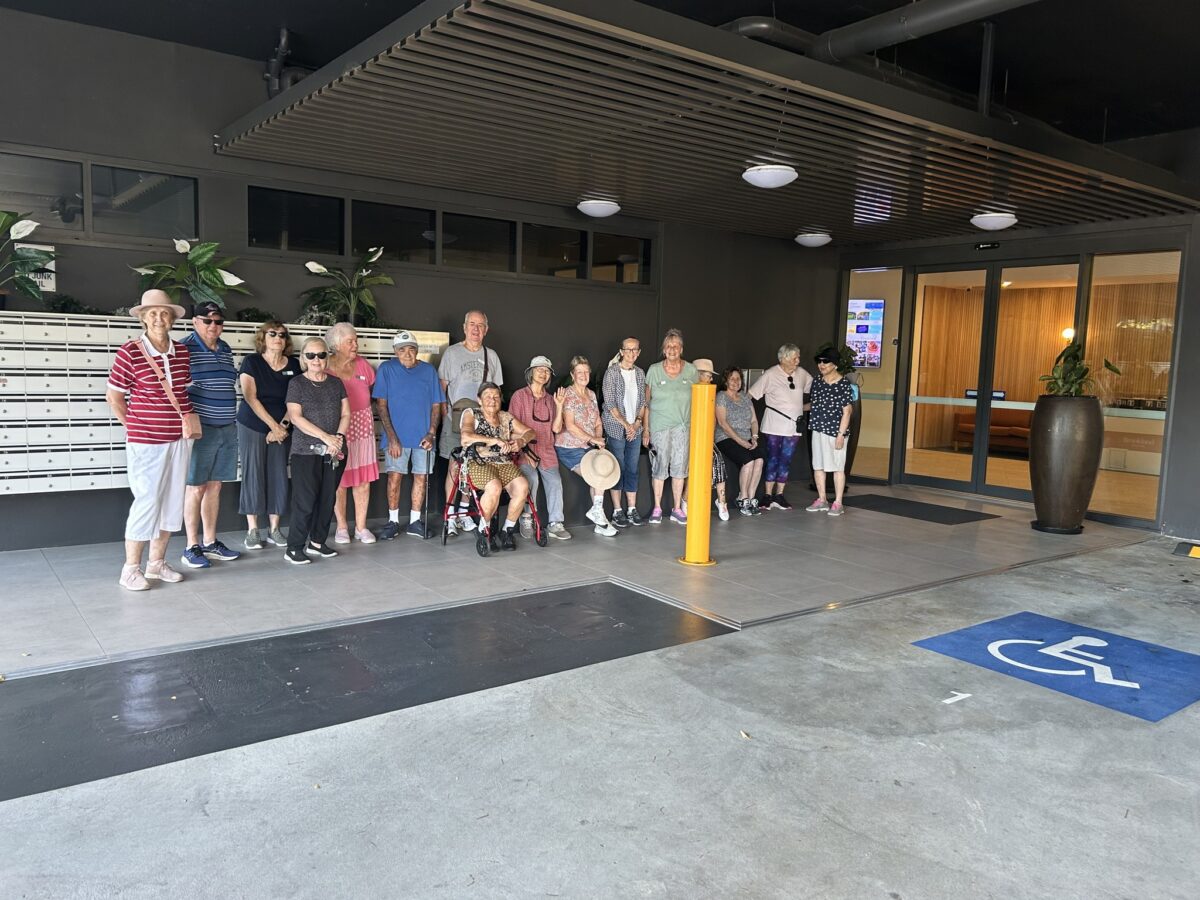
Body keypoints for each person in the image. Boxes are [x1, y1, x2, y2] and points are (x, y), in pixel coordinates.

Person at [105, 289, 198, 591]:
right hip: (146, 441)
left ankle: (156, 563)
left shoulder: (182, 352)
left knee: (172, 501)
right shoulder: (130, 352)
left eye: (164, 313)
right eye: (153, 313)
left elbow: (182, 391)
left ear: (172, 318)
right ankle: (130, 569)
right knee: (147, 500)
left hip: (179, 439)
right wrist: (135, 427)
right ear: (143, 318)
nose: (159, 318)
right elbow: (114, 397)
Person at [179, 301, 241, 568]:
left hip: (227, 427)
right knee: (196, 487)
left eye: (218, 321)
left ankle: (210, 542)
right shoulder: (184, 348)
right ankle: (191, 546)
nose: (213, 325)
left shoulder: (225, 348)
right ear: (195, 322)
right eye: (207, 320)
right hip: (201, 429)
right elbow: (176, 388)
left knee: (215, 485)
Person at [284, 338, 350, 564]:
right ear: (303, 358)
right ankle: (294, 547)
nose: (316, 360)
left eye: (321, 355)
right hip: (305, 452)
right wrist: (326, 437)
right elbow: (295, 417)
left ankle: (317, 542)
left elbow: (346, 414)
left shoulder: (336, 383)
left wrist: (338, 438)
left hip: (334, 451)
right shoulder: (297, 384)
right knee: (305, 501)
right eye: (310, 355)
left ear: (327, 357)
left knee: (327, 499)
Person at [373, 330, 443, 540]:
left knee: (421, 478)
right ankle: (393, 521)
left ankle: (414, 522)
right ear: (395, 352)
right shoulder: (386, 369)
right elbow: (381, 405)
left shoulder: (429, 371)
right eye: (402, 350)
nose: (407, 353)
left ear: (417, 350)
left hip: (424, 437)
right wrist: (392, 437)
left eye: (411, 349)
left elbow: (436, 405)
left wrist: (431, 433)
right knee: (394, 478)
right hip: (396, 438)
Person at [236, 320, 300, 549]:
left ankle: (274, 529)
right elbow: (250, 397)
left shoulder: (294, 364)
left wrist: (282, 426)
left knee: (278, 474)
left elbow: (296, 398)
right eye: (272, 334)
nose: (278, 338)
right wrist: (274, 426)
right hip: (253, 424)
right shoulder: (252, 362)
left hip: (283, 427)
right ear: (263, 337)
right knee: (253, 472)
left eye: (282, 335)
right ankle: (253, 530)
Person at [439, 310, 503, 535]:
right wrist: (443, 414)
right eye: (472, 324)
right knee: (454, 468)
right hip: (455, 421)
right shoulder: (452, 353)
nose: (476, 329)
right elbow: (442, 387)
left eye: (480, 325)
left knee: (473, 467)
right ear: (464, 327)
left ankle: (465, 513)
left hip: (482, 425)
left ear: (486, 330)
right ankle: (450, 516)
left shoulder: (491, 356)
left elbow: (496, 392)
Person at [459, 382, 533, 551]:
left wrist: (521, 441)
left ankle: (507, 530)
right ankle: (484, 529)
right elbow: (465, 437)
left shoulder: (505, 417)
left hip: (503, 462)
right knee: (494, 486)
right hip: (478, 461)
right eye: (487, 397)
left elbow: (530, 432)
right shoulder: (472, 414)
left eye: (496, 397)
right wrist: (494, 440)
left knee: (522, 487)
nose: (492, 400)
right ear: (479, 400)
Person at [326, 322, 379, 544]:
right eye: (350, 341)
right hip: (338, 429)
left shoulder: (363, 365)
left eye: (356, 340)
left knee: (363, 480)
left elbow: (374, 393)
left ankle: (361, 527)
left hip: (363, 429)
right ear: (337, 344)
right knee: (339, 480)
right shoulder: (325, 366)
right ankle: (341, 527)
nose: (355, 345)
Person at [509, 355, 571, 540]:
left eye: (546, 371)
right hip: (525, 450)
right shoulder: (519, 396)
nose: (543, 373)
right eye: (539, 370)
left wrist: (559, 406)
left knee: (555, 482)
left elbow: (557, 429)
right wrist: (523, 449)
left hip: (547, 449)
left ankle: (555, 523)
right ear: (531, 373)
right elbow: (511, 427)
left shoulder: (551, 399)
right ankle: (526, 517)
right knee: (531, 479)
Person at [555, 356, 617, 537]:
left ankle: (599, 518)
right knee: (597, 474)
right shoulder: (568, 395)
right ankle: (600, 518)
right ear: (572, 375)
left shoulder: (591, 394)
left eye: (586, 372)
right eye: (579, 372)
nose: (583, 375)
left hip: (589, 446)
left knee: (602, 471)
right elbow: (570, 426)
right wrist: (593, 439)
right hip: (570, 447)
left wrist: (598, 439)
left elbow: (597, 421)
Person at [749, 343, 813, 511]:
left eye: (798, 357)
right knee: (773, 459)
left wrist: (805, 407)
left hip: (793, 427)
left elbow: (816, 389)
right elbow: (750, 395)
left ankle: (779, 495)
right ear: (783, 358)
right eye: (794, 358)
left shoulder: (802, 374)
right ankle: (767, 495)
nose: (798, 361)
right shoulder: (770, 374)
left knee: (786, 460)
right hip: (773, 426)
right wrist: (749, 418)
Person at [643, 328, 697, 524]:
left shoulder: (691, 371)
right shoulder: (654, 370)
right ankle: (657, 508)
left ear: (681, 349)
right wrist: (646, 430)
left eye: (675, 346)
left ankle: (676, 509)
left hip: (683, 427)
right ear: (664, 350)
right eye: (668, 346)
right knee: (659, 466)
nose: (672, 349)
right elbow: (647, 403)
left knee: (680, 468)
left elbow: (698, 400)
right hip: (659, 427)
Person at [601, 337, 647, 528]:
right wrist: (626, 425)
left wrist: (636, 424)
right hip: (615, 427)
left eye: (635, 350)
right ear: (621, 352)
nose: (631, 353)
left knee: (632, 468)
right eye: (628, 349)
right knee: (617, 467)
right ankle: (617, 510)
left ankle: (632, 509)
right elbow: (610, 403)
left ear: (639, 352)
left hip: (634, 429)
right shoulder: (612, 373)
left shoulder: (640, 373)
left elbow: (643, 402)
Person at [807, 348, 857, 517]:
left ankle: (838, 502)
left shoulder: (843, 384)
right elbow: (814, 404)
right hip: (818, 429)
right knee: (818, 465)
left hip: (835, 432)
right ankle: (822, 500)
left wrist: (841, 435)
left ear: (835, 364)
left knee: (837, 467)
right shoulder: (817, 381)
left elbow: (847, 411)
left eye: (825, 361)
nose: (821, 365)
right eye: (819, 361)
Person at [715, 366, 765, 516]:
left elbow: (754, 421)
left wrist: (754, 437)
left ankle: (751, 497)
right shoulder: (721, 396)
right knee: (748, 461)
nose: (736, 382)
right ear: (726, 381)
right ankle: (742, 498)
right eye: (732, 379)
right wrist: (741, 441)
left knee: (759, 459)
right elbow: (722, 423)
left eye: (738, 379)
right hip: (726, 437)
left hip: (747, 437)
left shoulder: (744, 397)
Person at [693, 359, 730, 521]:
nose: (711, 379)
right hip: (689, 438)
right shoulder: (689, 392)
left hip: (705, 438)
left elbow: (713, 421)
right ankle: (686, 500)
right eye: (708, 375)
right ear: (699, 375)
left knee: (717, 460)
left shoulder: (710, 393)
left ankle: (722, 501)